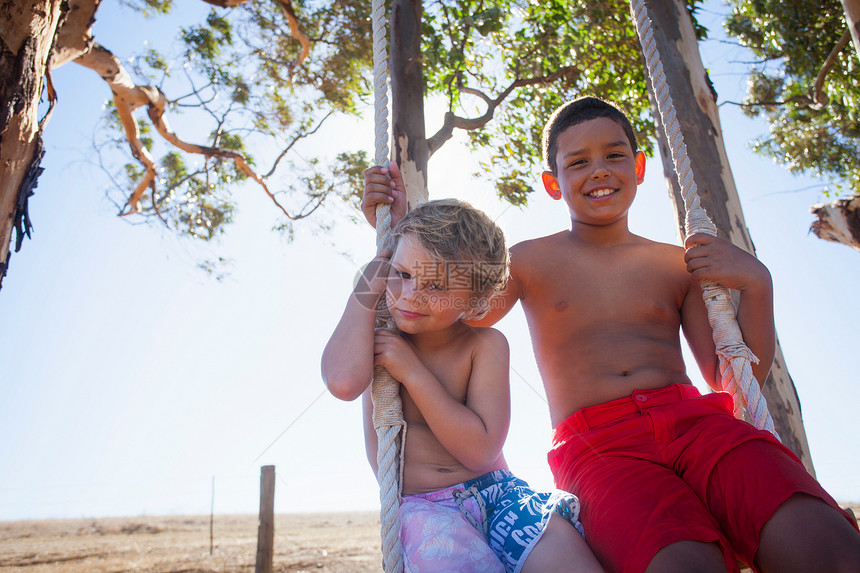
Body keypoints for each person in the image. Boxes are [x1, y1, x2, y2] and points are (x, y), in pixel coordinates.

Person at [362, 97, 860, 573]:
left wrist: (756, 284)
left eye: (614, 155)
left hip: (698, 426)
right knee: (681, 565)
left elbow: (732, 376)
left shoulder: (677, 264)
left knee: (824, 548)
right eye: (577, 162)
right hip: (598, 446)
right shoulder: (528, 260)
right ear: (553, 183)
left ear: (639, 168)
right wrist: (402, 230)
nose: (598, 169)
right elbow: (443, 310)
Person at [321, 198, 604, 573]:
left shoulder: (483, 345)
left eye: (436, 285)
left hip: (501, 495)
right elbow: (343, 382)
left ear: (474, 301)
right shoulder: (375, 334)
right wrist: (364, 291)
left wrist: (413, 373)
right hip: (426, 511)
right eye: (402, 274)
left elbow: (480, 451)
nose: (410, 295)